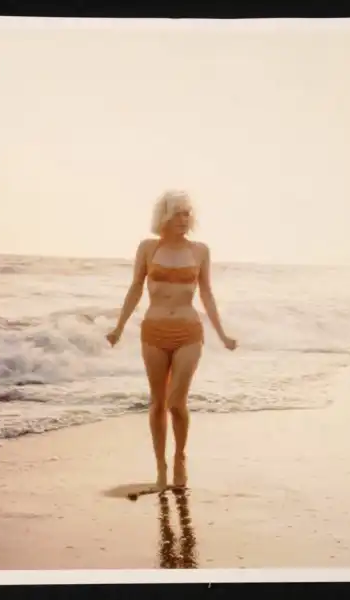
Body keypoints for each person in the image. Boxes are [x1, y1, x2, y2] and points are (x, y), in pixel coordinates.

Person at [106, 190, 237, 490]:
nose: (184, 219)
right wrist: (118, 327)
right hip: (153, 332)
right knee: (157, 403)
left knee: (176, 402)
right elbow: (135, 288)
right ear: (164, 216)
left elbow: (206, 294)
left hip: (188, 332)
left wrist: (222, 334)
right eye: (178, 213)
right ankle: (161, 469)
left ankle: (179, 458)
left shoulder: (200, 251)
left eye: (187, 213)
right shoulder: (148, 248)